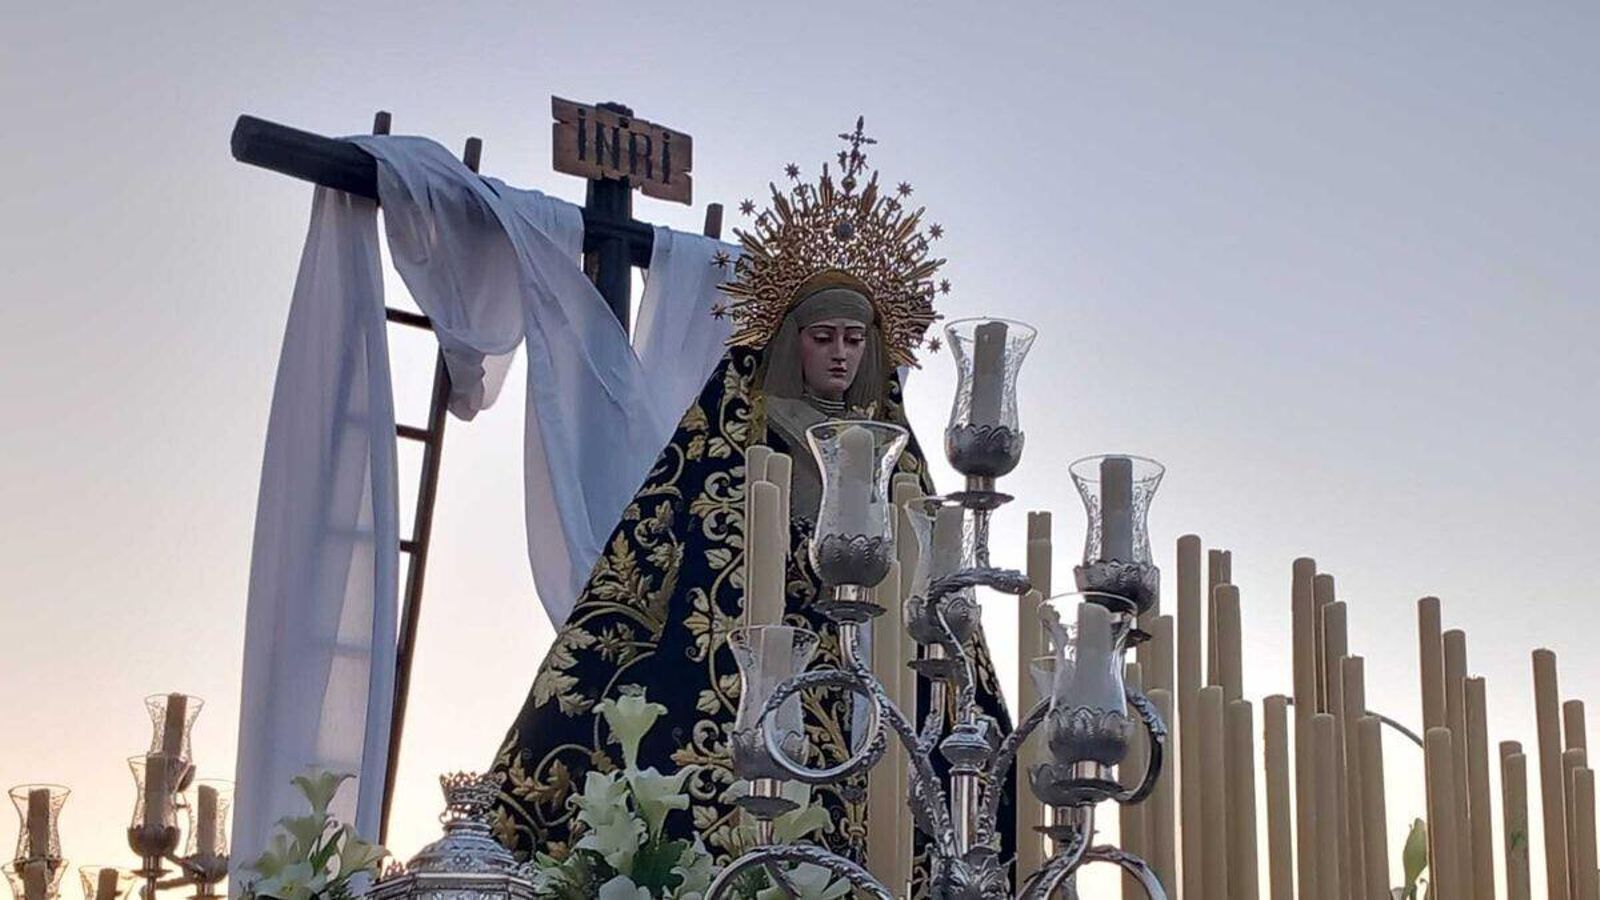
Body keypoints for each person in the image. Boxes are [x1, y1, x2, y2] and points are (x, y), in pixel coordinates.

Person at [489, 124, 1013, 874]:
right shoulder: (738, 439)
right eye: (824, 337)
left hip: (885, 694)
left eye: (855, 341)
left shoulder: (900, 463)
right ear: (791, 340)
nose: (840, 354)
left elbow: (939, 597)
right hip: (760, 685)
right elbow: (671, 559)